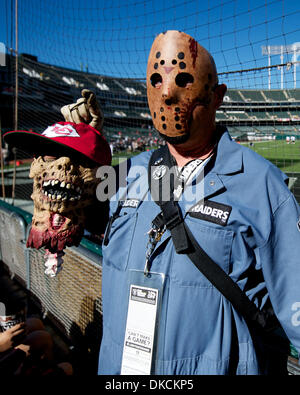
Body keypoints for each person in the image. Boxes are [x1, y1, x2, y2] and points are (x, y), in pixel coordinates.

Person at [97, 30, 300, 375]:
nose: (168, 93)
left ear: (217, 96)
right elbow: (77, 216)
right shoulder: (124, 173)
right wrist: (83, 148)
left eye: (184, 80)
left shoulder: (263, 186)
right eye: (156, 80)